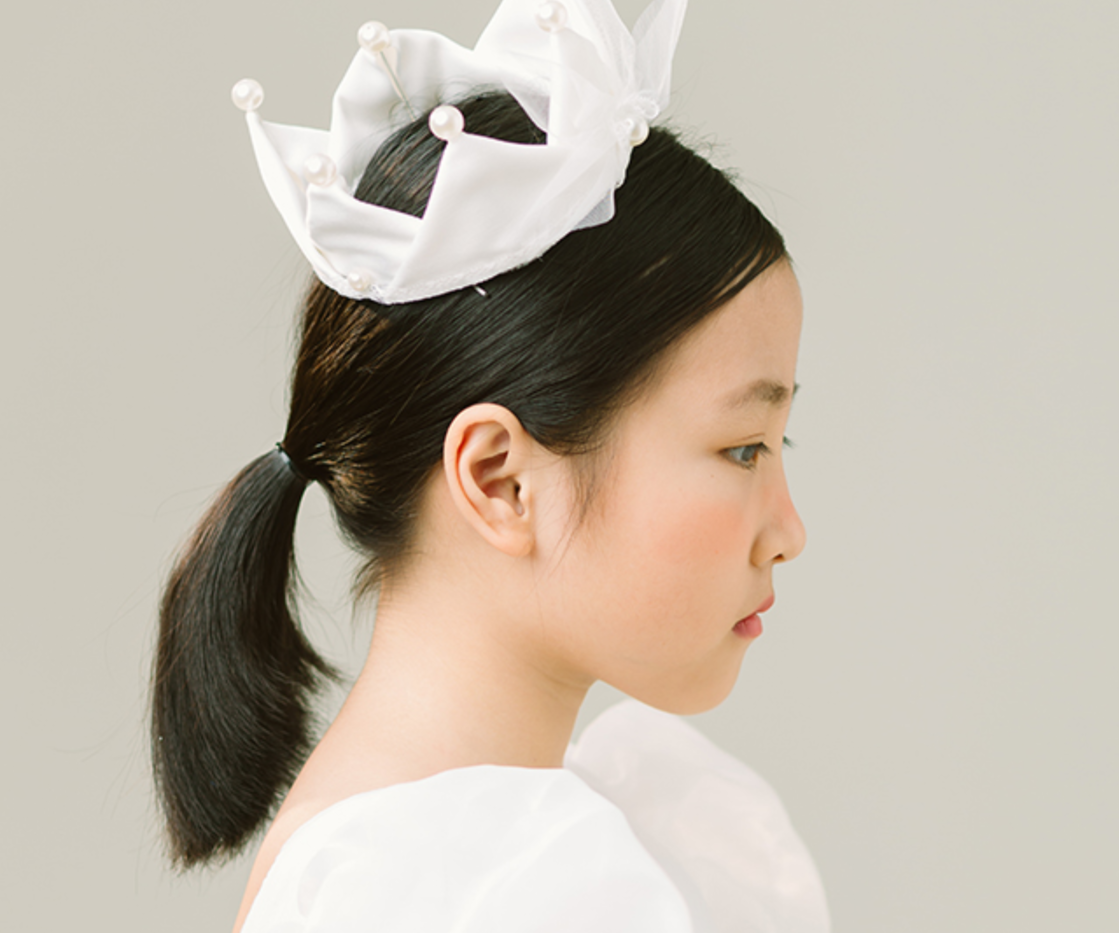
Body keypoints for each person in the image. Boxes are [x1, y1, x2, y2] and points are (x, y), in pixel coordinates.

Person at [150, 1, 828, 930]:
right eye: (742, 447)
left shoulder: (387, 852)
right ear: (501, 479)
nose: (789, 531)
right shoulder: (519, 886)